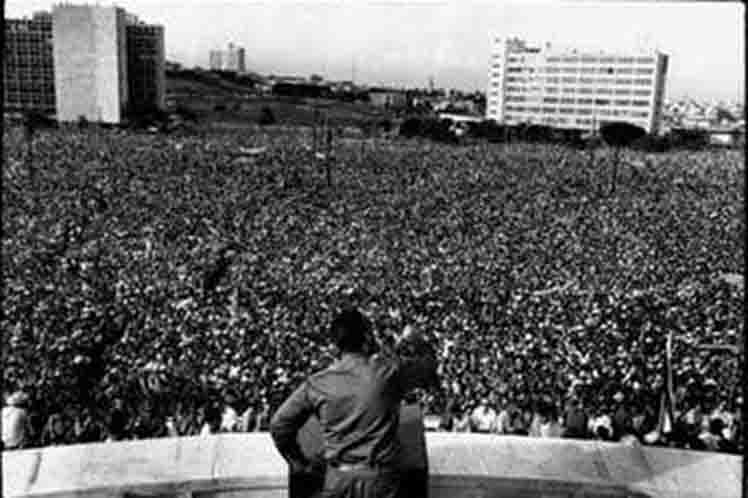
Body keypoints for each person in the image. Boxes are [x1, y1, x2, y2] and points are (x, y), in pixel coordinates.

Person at [270, 308, 437, 498]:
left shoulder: (317, 383)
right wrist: (417, 340)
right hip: (381, 483)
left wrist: (299, 462)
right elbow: (428, 365)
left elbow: (279, 425)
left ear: (336, 344)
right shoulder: (389, 372)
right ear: (367, 338)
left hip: (337, 480)